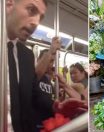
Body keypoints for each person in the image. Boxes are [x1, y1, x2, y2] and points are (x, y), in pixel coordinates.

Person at [6, 0, 87, 131]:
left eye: (41, 17)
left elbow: (29, 96)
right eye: (31, 10)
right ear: (9, 4)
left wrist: (55, 108)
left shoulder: (25, 55)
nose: (36, 22)